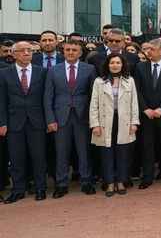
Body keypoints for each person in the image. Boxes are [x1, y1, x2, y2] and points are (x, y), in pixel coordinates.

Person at [44, 39, 97, 197]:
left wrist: (93, 118)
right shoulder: (54, 70)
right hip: (60, 117)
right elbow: (48, 97)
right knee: (61, 152)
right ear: (63, 51)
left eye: (74, 50)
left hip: (83, 116)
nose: (71, 52)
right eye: (68, 50)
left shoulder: (90, 69)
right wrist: (50, 119)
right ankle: (61, 184)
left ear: (80, 53)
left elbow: (93, 95)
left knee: (84, 151)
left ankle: (86, 181)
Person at [0, 42, 48, 203]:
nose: (27, 53)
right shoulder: (4, 74)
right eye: (22, 51)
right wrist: (3, 123)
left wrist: (49, 121)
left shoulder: (42, 72)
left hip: (37, 122)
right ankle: (18, 190)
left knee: (39, 157)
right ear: (13, 54)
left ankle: (41, 188)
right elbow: (2, 101)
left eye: (29, 50)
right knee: (16, 158)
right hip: (14, 123)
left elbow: (46, 99)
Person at [89, 53, 139, 197]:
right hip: (105, 122)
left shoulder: (130, 81)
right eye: (112, 63)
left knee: (123, 153)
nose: (115, 65)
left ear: (123, 64)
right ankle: (110, 182)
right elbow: (94, 105)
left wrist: (134, 122)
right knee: (107, 153)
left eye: (118, 62)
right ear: (107, 65)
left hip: (124, 121)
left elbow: (134, 103)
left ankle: (121, 181)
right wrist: (95, 124)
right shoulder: (99, 81)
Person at [134, 39, 161, 189]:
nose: (148, 52)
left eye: (152, 49)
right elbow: (137, 90)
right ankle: (147, 177)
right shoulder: (140, 67)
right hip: (146, 115)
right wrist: (145, 109)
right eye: (147, 49)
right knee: (147, 146)